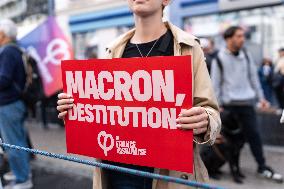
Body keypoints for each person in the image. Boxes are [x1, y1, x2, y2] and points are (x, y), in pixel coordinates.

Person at [57, 0, 221, 189]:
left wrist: (205, 121)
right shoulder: (113, 51)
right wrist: (73, 110)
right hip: (115, 171)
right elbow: (101, 115)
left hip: (165, 174)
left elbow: (211, 112)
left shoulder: (189, 48)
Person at [211, 26, 283, 183]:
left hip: (247, 105)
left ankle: (262, 166)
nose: (242, 39)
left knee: (254, 136)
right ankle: (229, 168)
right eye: (238, 36)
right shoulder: (219, 59)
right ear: (228, 39)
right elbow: (215, 85)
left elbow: (254, 79)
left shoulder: (247, 56)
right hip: (228, 107)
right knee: (230, 142)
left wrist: (261, 98)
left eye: (243, 36)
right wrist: (217, 107)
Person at [0, 19, 33, 189]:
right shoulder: (17, 50)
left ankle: (22, 179)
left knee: (13, 144)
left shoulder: (6, 52)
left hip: (8, 105)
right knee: (19, 141)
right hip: (17, 102)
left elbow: (4, 79)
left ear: (3, 34)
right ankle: (22, 172)